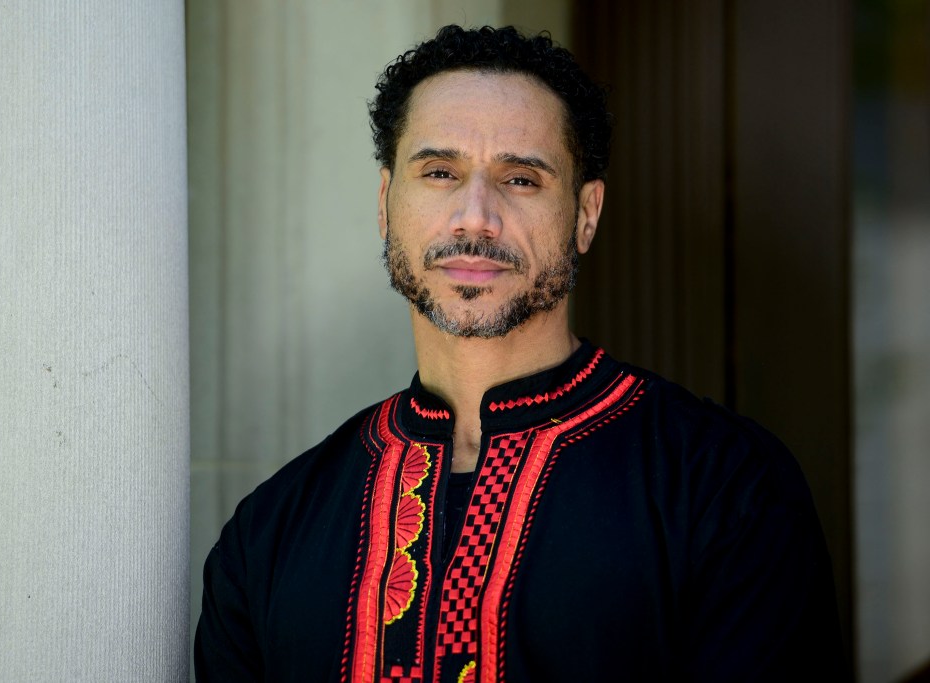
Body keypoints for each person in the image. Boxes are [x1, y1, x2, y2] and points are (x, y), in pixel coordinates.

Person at [195, 25, 845, 682]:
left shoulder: (727, 488)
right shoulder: (270, 532)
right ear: (386, 203)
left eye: (521, 178)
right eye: (440, 172)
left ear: (586, 214)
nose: (475, 216)